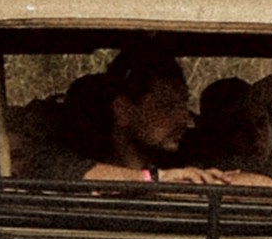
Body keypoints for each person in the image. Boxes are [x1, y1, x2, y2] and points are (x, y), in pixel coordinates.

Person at [12, 37, 192, 175]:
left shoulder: (192, 157)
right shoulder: (65, 158)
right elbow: (52, 165)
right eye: (166, 106)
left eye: (185, 103)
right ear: (123, 110)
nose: (185, 119)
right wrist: (155, 180)